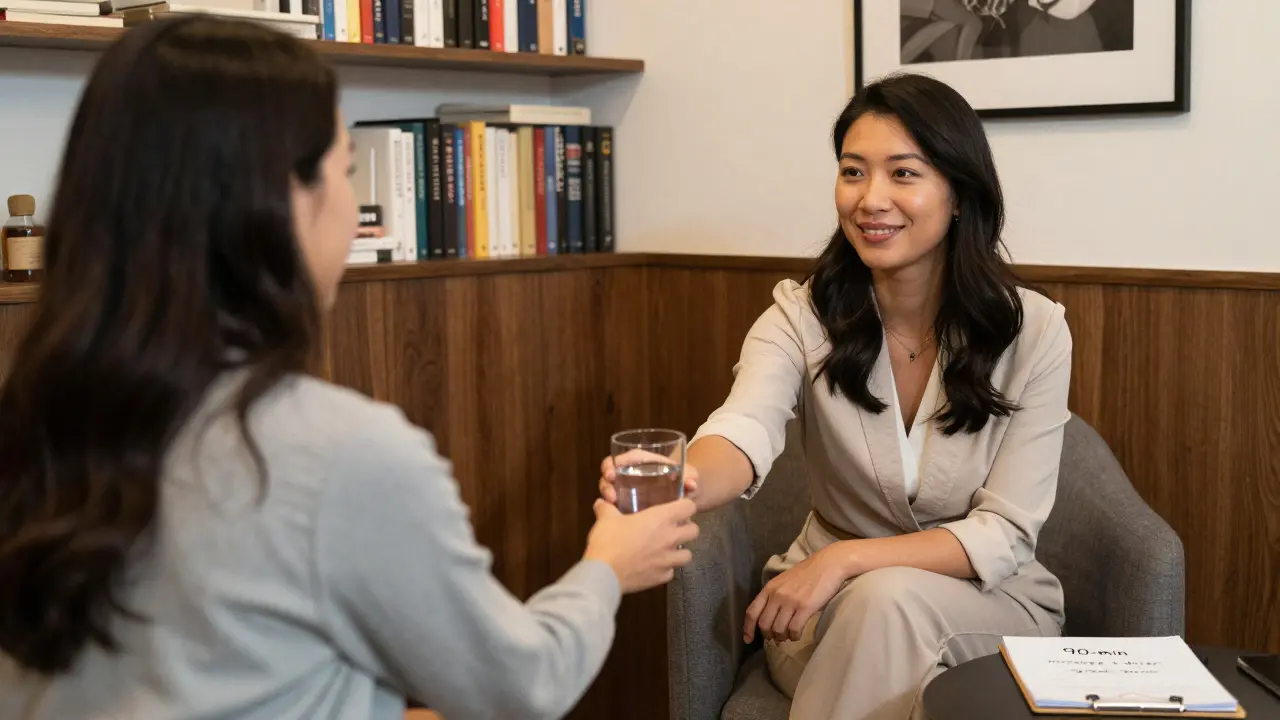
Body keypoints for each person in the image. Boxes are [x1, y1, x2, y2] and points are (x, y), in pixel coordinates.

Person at [0, 16, 697, 720]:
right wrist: (608, 565)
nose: (359, 218)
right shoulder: (338, 454)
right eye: (347, 171)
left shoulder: (35, 415)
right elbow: (521, 686)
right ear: (284, 201)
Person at [602, 73, 1071, 719]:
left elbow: (1006, 533)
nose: (870, 199)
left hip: (986, 608)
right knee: (885, 623)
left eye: (903, 174)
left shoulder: (1036, 330)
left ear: (960, 192)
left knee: (888, 600)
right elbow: (743, 428)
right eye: (853, 172)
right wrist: (682, 479)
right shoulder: (801, 316)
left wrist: (849, 560)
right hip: (821, 617)